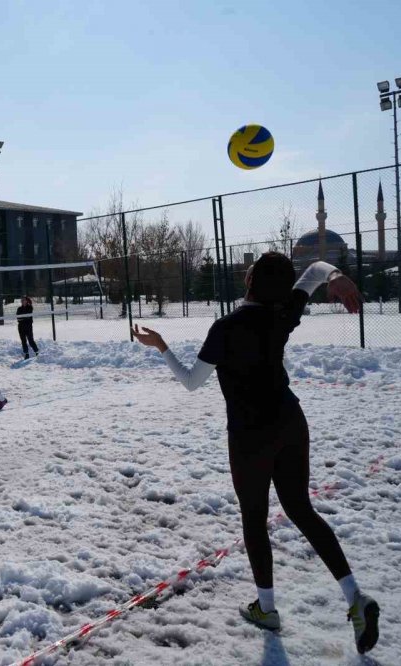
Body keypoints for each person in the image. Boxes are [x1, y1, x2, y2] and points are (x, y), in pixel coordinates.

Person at [133, 253, 380, 655]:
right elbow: (315, 271)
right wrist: (335, 276)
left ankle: (267, 609)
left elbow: (192, 382)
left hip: (250, 435)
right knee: (301, 508)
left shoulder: (226, 327)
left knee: (254, 518)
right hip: (290, 422)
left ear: (250, 281)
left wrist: (160, 345)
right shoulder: (285, 311)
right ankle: (355, 596)